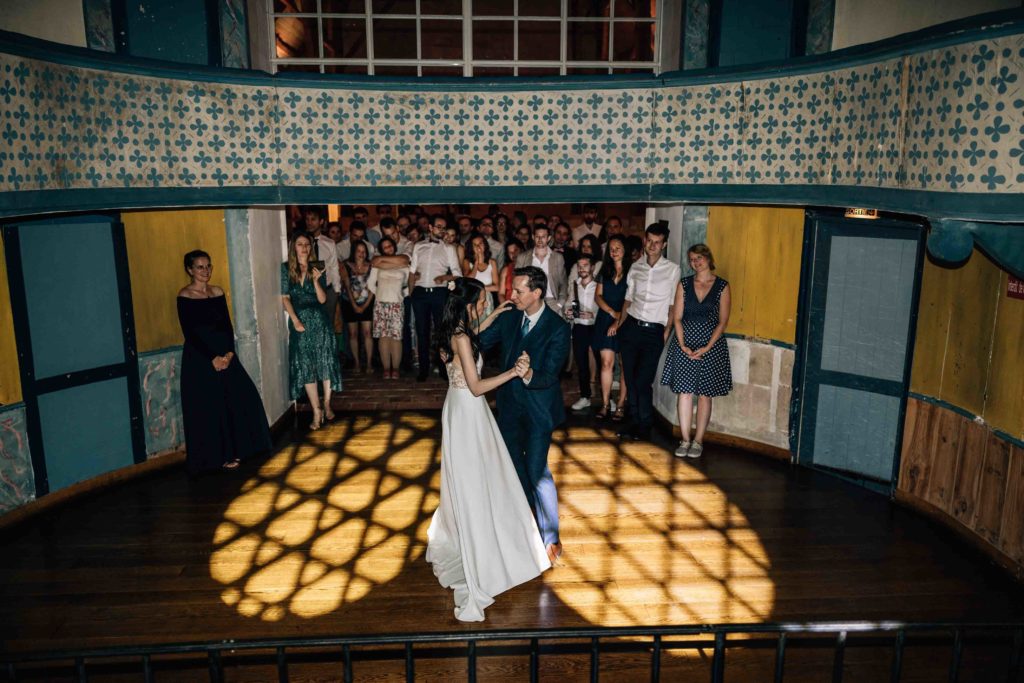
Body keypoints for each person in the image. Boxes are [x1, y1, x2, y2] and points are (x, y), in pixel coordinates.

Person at [426, 277, 550, 622]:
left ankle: (477, 529)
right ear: (468, 305)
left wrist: (495, 314)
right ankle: (480, 544)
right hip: (468, 410)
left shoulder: (454, 329)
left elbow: (473, 334)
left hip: (458, 409)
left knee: (477, 476)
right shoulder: (462, 338)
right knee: (476, 480)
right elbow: (478, 386)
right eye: (481, 301)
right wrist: (513, 373)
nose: (484, 305)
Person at [479, 266, 571, 565]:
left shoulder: (558, 327)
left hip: (538, 411)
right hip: (508, 407)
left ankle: (551, 538)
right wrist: (480, 321)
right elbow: (479, 341)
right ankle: (528, 523)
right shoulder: (509, 316)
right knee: (514, 468)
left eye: (518, 291)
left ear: (537, 293)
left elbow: (551, 373)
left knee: (536, 470)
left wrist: (529, 373)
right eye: (512, 289)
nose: (512, 295)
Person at [177, 251, 271, 475]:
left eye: (208, 266)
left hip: (225, 354)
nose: (206, 271)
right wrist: (212, 359)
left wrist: (228, 354)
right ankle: (220, 455)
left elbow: (227, 326)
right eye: (200, 267)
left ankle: (242, 448)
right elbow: (190, 333)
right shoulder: (185, 295)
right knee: (211, 407)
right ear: (190, 270)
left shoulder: (217, 291)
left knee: (242, 397)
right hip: (201, 358)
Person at [610, 223, 680, 442]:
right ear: (644, 241)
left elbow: (672, 305)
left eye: (657, 242)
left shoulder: (672, 270)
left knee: (643, 381)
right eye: (649, 241)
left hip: (654, 331)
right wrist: (620, 325)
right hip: (631, 327)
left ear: (664, 244)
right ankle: (633, 420)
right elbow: (628, 299)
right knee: (630, 379)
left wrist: (666, 331)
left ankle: (645, 424)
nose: (652, 245)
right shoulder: (635, 267)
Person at [661, 244, 732, 458]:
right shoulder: (684, 284)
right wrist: (683, 344)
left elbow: (723, 322)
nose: (696, 262)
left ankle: (698, 441)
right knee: (684, 393)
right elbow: (677, 318)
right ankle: (685, 439)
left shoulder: (722, 286)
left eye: (699, 258)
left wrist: (707, 347)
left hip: (711, 345)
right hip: (685, 342)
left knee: (704, 395)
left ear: (708, 258)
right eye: (692, 259)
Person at [281, 232, 343, 429]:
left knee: (325, 360)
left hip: (319, 320)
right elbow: (285, 298)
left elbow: (323, 300)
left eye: (307, 244)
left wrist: (316, 281)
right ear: (294, 247)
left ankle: (327, 404)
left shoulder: (317, 265)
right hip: (299, 321)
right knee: (306, 364)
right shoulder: (286, 269)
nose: (304, 248)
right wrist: (295, 320)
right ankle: (316, 410)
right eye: (300, 244)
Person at [409, 215, 462, 381]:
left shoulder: (449, 248)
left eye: (444, 227)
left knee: (441, 332)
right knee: (421, 332)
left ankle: (444, 368)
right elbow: (412, 272)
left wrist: (444, 277)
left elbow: (458, 274)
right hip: (420, 293)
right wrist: (411, 294)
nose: (442, 230)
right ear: (430, 227)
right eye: (439, 226)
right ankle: (423, 370)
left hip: (439, 293)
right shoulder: (418, 246)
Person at [592, 235, 631, 420]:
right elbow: (597, 296)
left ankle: (621, 404)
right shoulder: (605, 269)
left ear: (625, 250)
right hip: (605, 318)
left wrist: (619, 319)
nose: (614, 251)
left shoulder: (633, 271)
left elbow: (632, 300)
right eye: (611, 248)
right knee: (606, 363)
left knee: (624, 365)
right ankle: (606, 404)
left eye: (618, 248)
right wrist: (611, 313)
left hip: (626, 319)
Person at [367, 237, 409, 380]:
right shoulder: (377, 264)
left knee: (396, 337)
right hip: (381, 304)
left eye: (390, 245)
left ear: (394, 246)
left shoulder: (403, 264)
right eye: (385, 247)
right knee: (384, 337)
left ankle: (395, 368)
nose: (388, 249)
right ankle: (386, 368)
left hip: (397, 304)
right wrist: (380, 294)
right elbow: (370, 284)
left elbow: (409, 283)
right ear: (381, 250)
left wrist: (401, 295)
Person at [566, 254, 599, 412]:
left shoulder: (598, 285)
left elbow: (606, 305)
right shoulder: (575, 285)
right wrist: (568, 312)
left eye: (585, 265)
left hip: (596, 327)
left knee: (602, 363)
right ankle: (585, 397)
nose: (582, 269)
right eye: (579, 266)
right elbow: (569, 303)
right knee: (582, 364)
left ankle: (607, 398)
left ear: (592, 267)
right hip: (579, 327)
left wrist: (593, 314)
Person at [340, 239, 375, 374]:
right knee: (353, 334)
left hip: (368, 302)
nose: (362, 254)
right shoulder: (346, 265)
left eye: (364, 251)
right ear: (353, 252)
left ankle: (369, 363)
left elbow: (373, 287)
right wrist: (354, 305)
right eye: (359, 251)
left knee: (367, 333)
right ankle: (357, 363)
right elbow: (347, 286)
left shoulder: (371, 266)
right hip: (349, 302)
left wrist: (365, 305)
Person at [515, 224, 568, 313]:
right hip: (530, 300)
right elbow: (517, 282)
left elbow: (563, 283)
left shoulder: (558, 258)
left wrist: (560, 303)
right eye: (537, 236)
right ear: (533, 237)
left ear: (548, 238)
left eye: (543, 237)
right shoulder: (522, 257)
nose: (540, 239)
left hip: (551, 301)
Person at [462, 234, 499, 322]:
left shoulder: (492, 262)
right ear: (472, 248)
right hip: (472, 298)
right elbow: (468, 280)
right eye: (475, 245)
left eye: (480, 243)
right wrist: (476, 262)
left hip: (487, 299)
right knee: (472, 323)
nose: (478, 246)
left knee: (487, 323)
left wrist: (479, 288)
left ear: (485, 245)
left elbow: (497, 287)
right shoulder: (467, 262)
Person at [499, 239, 525, 304]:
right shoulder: (506, 270)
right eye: (510, 252)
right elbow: (501, 293)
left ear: (521, 250)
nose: (513, 254)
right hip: (509, 304)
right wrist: (506, 306)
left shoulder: (529, 266)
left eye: (516, 250)